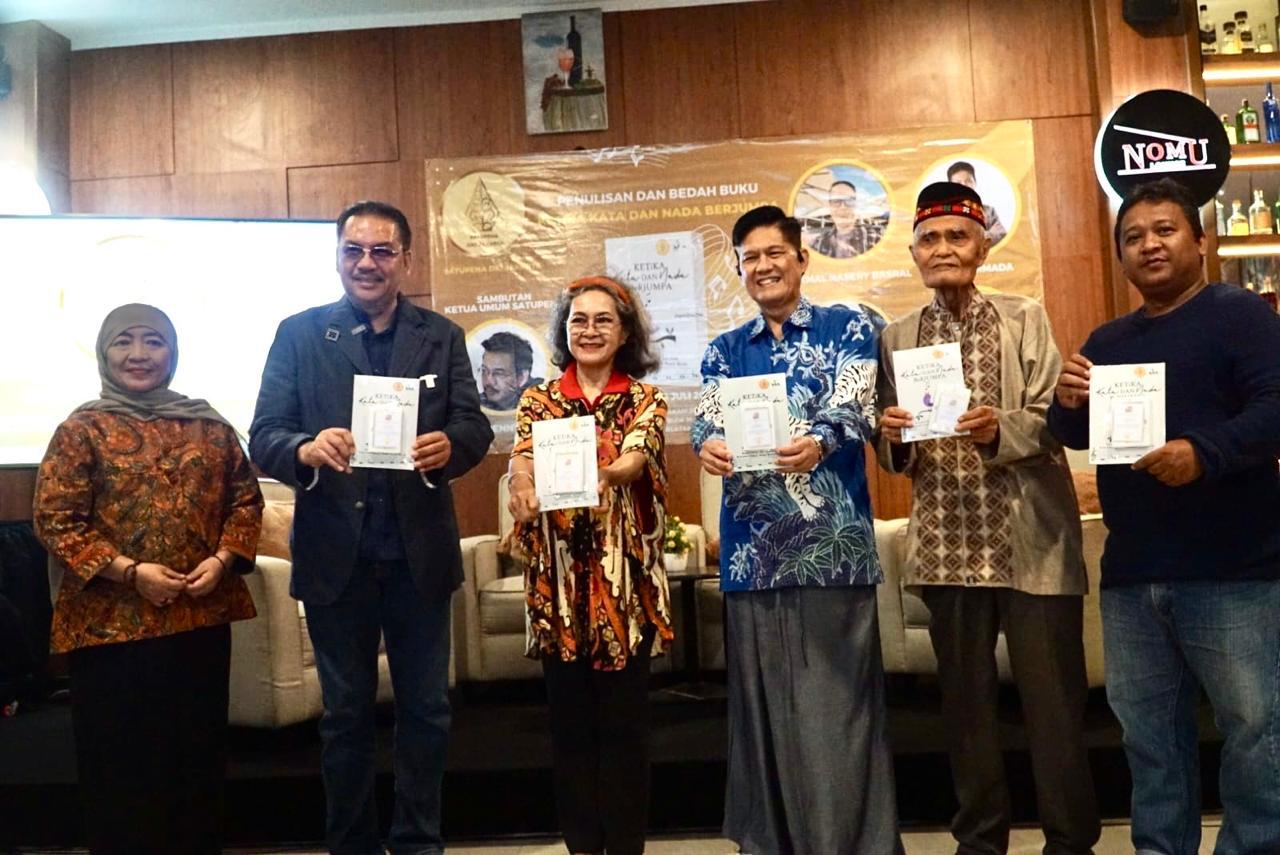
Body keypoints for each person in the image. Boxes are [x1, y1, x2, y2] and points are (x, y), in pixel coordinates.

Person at [249, 200, 492, 855]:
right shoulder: (300, 334)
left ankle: (417, 841)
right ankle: (351, 843)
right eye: (353, 250)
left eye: (382, 251)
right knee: (346, 715)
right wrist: (304, 448)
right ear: (337, 256)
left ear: (405, 260)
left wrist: (451, 445)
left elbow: (474, 426)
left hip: (419, 556)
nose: (366, 262)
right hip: (337, 556)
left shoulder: (441, 335)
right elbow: (264, 433)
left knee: (427, 712)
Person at [1049, 177, 1280, 855]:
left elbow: (1275, 409)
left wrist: (1202, 453)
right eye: (1133, 236)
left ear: (1200, 241)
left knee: (1256, 732)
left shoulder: (1243, 316)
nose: (1148, 244)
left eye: (1164, 230)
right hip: (1133, 576)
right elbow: (1074, 432)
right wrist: (1067, 400)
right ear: (1121, 254)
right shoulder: (1109, 340)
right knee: (1149, 740)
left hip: (1235, 571)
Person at [877, 182, 1100, 855]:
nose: (943, 248)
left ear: (981, 247)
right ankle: (979, 842)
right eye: (929, 238)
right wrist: (894, 437)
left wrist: (996, 429)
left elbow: (1056, 420)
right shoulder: (897, 336)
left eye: (957, 236)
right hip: (947, 546)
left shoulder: (1022, 317)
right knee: (966, 714)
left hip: (1031, 542)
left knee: (1054, 711)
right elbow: (893, 452)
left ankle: (1070, 843)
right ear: (914, 253)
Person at [692, 205, 900, 854]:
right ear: (739, 269)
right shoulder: (724, 349)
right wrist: (708, 445)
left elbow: (857, 406)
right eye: (749, 258)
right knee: (765, 717)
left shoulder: (850, 326)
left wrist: (819, 442)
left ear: (802, 258)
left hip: (832, 552)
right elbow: (706, 420)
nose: (763, 266)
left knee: (838, 714)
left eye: (774, 253)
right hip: (753, 557)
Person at [33, 303, 262, 854]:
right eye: (124, 342)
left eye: (154, 341)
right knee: (121, 766)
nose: (139, 354)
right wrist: (132, 573)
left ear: (172, 352)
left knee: (196, 759)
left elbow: (246, 502)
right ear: (104, 352)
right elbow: (55, 520)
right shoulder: (81, 429)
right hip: (111, 631)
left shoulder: (210, 426)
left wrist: (223, 560)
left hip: (198, 620)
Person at [507, 275, 673, 855]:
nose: (590, 330)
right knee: (569, 730)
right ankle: (582, 846)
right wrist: (519, 486)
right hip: (557, 590)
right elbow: (522, 458)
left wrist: (601, 473)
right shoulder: (538, 400)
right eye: (579, 320)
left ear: (625, 332)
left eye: (604, 320)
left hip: (624, 589)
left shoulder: (646, 399)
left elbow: (635, 459)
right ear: (565, 330)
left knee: (625, 730)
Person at [807, 180, 880, 258]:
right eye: (836, 201)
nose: (843, 207)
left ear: (855, 205)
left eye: (849, 201)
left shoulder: (876, 237)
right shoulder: (817, 244)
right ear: (829, 206)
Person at [947, 161, 1008, 244]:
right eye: (958, 183)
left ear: (975, 183)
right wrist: (986, 236)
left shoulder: (989, 211)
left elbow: (1001, 233)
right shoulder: (944, 212)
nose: (964, 185)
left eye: (968, 181)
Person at [479, 330, 541, 410]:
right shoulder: (476, 403)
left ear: (522, 378)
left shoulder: (540, 404)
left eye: (498, 373)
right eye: (484, 371)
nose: (488, 381)